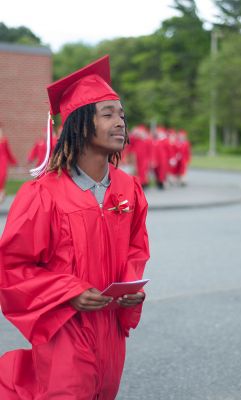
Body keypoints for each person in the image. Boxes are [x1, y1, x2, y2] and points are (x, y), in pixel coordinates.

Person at [0, 55, 150, 399]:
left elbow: (136, 249)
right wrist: (68, 292)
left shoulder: (129, 189)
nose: (120, 123)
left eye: (122, 115)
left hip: (110, 330)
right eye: (108, 114)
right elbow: (14, 267)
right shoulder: (43, 195)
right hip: (65, 329)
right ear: (80, 124)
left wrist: (130, 290)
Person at [0, 123, 17, 203]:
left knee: (2, 177)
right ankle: (2, 193)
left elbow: (8, 152)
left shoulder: (4, 141)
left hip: (3, 162)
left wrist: (14, 162)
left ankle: (2, 193)